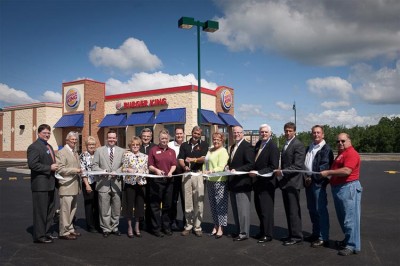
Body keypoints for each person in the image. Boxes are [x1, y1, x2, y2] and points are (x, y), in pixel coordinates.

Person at [320, 133, 362, 256]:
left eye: (343, 141)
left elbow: (346, 170)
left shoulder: (351, 153)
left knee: (350, 219)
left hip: (348, 188)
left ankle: (352, 245)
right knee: (343, 218)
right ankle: (348, 240)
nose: (340, 143)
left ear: (349, 141)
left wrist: (328, 172)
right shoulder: (341, 154)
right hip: (340, 189)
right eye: (338, 141)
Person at [27, 124, 59, 244]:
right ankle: (39, 236)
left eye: (49, 133)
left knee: (49, 211)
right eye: (45, 133)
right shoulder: (34, 147)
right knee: (40, 211)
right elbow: (32, 164)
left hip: (50, 184)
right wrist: (49, 167)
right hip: (40, 185)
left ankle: (46, 232)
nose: (47, 135)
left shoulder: (48, 146)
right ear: (39, 133)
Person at [275, 122, 306, 246]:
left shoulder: (298, 145)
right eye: (286, 131)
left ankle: (297, 236)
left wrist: (282, 172)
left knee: (293, 210)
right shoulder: (287, 144)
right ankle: (291, 233)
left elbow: (298, 165)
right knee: (288, 210)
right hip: (286, 183)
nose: (288, 133)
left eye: (290, 131)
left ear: (294, 132)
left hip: (293, 183)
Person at [304, 125, 334, 248]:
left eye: (318, 132)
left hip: (318, 183)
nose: (316, 134)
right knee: (312, 210)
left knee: (320, 210)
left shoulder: (326, 149)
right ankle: (315, 233)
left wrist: (312, 178)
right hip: (308, 182)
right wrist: (306, 177)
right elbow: (305, 164)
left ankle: (323, 237)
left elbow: (324, 167)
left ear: (323, 134)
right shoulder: (310, 147)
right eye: (314, 132)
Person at [250, 124, 280, 243]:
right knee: (259, 208)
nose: (263, 134)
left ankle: (268, 234)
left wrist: (257, 173)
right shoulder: (258, 144)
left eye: (266, 132)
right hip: (257, 183)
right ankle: (262, 231)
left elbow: (273, 166)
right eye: (261, 132)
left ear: (270, 133)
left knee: (266, 210)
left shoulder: (273, 147)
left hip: (267, 183)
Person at [92, 129, 125, 238]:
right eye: (109, 138)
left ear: (116, 139)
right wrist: (103, 171)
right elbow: (94, 166)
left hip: (116, 183)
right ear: (107, 139)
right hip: (103, 183)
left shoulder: (122, 151)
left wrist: (118, 172)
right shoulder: (99, 151)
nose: (111, 140)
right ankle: (106, 228)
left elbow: (124, 166)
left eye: (113, 138)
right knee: (104, 208)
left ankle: (115, 227)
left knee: (116, 208)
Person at [178, 126, 209, 237]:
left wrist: (193, 159)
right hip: (187, 174)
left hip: (199, 174)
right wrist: (184, 166)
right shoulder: (184, 145)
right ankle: (188, 226)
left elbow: (203, 158)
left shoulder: (204, 144)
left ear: (200, 135)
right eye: (195, 133)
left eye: (198, 134)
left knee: (199, 202)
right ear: (191, 133)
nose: (196, 135)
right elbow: (181, 159)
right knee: (188, 202)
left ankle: (197, 226)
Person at [227, 126, 255, 242]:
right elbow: (233, 162)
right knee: (236, 210)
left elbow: (250, 164)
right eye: (234, 132)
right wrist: (228, 166)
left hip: (242, 183)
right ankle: (239, 230)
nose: (236, 134)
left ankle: (244, 233)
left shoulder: (247, 147)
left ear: (242, 133)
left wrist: (237, 171)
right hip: (233, 183)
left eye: (238, 132)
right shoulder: (233, 146)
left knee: (243, 210)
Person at [148, 129, 177, 237]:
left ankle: (166, 227)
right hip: (156, 182)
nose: (164, 140)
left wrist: (170, 172)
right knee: (155, 206)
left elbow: (174, 164)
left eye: (166, 138)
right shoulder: (153, 150)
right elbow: (150, 165)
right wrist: (156, 170)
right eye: (162, 138)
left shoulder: (172, 151)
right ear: (159, 139)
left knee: (167, 206)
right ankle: (156, 228)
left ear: (168, 139)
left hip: (169, 182)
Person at [55, 131, 82, 240]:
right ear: (67, 140)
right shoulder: (61, 152)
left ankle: (70, 228)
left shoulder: (75, 152)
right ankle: (64, 232)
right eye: (72, 140)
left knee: (72, 209)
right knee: (65, 210)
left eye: (76, 140)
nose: (74, 141)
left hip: (75, 185)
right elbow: (60, 169)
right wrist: (75, 170)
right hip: (66, 186)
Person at [203, 132, 229, 239]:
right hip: (210, 180)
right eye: (214, 139)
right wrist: (204, 172)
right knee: (213, 204)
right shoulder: (210, 150)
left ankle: (221, 228)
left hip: (220, 180)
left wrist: (211, 171)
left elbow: (222, 166)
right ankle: (215, 224)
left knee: (220, 205)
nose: (216, 141)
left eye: (218, 139)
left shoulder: (223, 151)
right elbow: (205, 163)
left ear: (222, 140)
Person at [121, 136, 148, 238]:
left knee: (139, 206)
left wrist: (143, 172)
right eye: (133, 145)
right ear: (130, 146)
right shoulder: (127, 155)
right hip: (129, 184)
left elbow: (147, 170)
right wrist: (128, 169)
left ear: (140, 146)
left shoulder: (145, 156)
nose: (135, 146)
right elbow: (122, 168)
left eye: (137, 145)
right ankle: (129, 227)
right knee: (129, 205)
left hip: (140, 184)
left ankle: (137, 227)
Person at [80, 136, 100, 233]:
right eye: (89, 144)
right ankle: (90, 226)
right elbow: (83, 172)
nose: (91, 146)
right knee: (89, 204)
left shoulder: (97, 154)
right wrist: (87, 185)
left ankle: (97, 224)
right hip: (88, 183)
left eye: (93, 144)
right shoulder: (83, 156)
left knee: (97, 204)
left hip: (98, 183)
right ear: (86, 145)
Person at [168, 126, 186, 231]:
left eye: (181, 133)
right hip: (173, 177)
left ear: (183, 134)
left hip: (184, 176)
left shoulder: (186, 145)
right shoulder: (170, 145)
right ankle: (173, 221)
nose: (179, 135)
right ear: (175, 135)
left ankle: (185, 221)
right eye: (177, 134)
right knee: (173, 200)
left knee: (185, 200)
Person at [139, 128, 156, 232]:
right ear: (141, 136)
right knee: (140, 201)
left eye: (148, 136)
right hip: (139, 180)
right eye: (144, 136)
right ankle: (140, 222)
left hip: (152, 180)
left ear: (151, 137)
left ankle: (150, 223)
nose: (146, 138)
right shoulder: (137, 146)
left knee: (151, 202)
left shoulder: (155, 147)